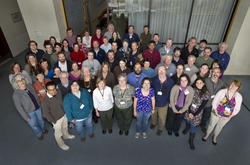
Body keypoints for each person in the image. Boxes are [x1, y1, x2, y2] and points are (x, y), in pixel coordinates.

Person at [202, 79, 242, 145]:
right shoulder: (222, 92)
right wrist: (217, 113)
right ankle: (207, 134)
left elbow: (237, 109)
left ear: (238, 88)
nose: (233, 87)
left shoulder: (239, 97)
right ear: (229, 84)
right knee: (212, 124)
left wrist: (229, 117)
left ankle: (215, 136)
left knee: (220, 126)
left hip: (227, 116)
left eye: (235, 86)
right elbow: (214, 103)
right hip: (216, 113)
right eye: (232, 85)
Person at [11, 74, 48, 140]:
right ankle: (39, 134)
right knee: (34, 124)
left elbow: (35, 95)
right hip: (29, 112)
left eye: (22, 79)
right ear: (16, 83)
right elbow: (19, 107)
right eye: (19, 81)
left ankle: (42, 130)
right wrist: (25, 117)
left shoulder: (29, 86)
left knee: (41, 120)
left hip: (38, 108)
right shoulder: (16, 94)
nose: (22, 81)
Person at [41, 81, 75, 151]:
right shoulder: (45, 102)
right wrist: (54, 121)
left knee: (65, 126)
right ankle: (61, 144)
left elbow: (62, 101)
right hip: (56, 119)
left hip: (64, 114)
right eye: (50, 90)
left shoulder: (58, 91)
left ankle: (66, 136)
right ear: (47, 90)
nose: (53, 91)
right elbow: (45, 114)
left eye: (54, 89)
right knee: (58, 134)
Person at [183, 77, 210, 150]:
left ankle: (191, 140)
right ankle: (187, 127)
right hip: (189, 109)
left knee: (193, 125)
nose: (198, 84)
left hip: (197, 112)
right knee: (187, 120)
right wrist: (189, 111)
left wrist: (194, 114)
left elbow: (202, 106)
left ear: (203, 83)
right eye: (197, 82)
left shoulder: (206, 93)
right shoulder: (192, 90)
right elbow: (187, 100)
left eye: (200, 83)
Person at [200, 67, 227, 133]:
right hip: (203, 102)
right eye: (214, 72)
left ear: (220, 74)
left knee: (206, 115)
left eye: (217, 72)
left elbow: (223, 94)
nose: (215, 74)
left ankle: (202, 125)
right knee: (199, 113)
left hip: (213, 104)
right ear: (211, 72)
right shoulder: (205, 81)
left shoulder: (223, 83)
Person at [150, 65, 174, 136]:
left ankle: (160, 128)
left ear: (166, 71)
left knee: (162, 117)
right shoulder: (153, 80)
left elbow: (171, 93)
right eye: (159, 70)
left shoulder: (171, 82)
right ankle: (154, 123)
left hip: (164, 103)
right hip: (154, 102)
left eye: (163, 70)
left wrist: (169, 101)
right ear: (157, 71)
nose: (161, 72)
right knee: (153, 115)